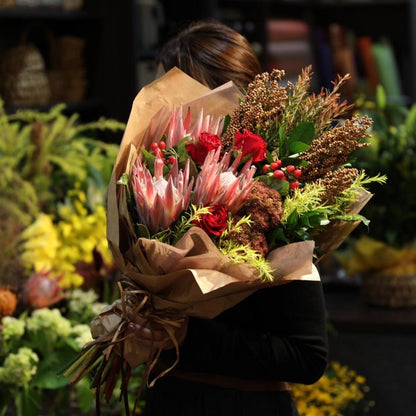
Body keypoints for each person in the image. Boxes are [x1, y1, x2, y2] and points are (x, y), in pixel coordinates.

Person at [136, 20, 328, 416]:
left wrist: (187, 335)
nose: (159, 109)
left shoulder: (277, 195)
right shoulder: (156, 179)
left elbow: (307, 356)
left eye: (173, 95)